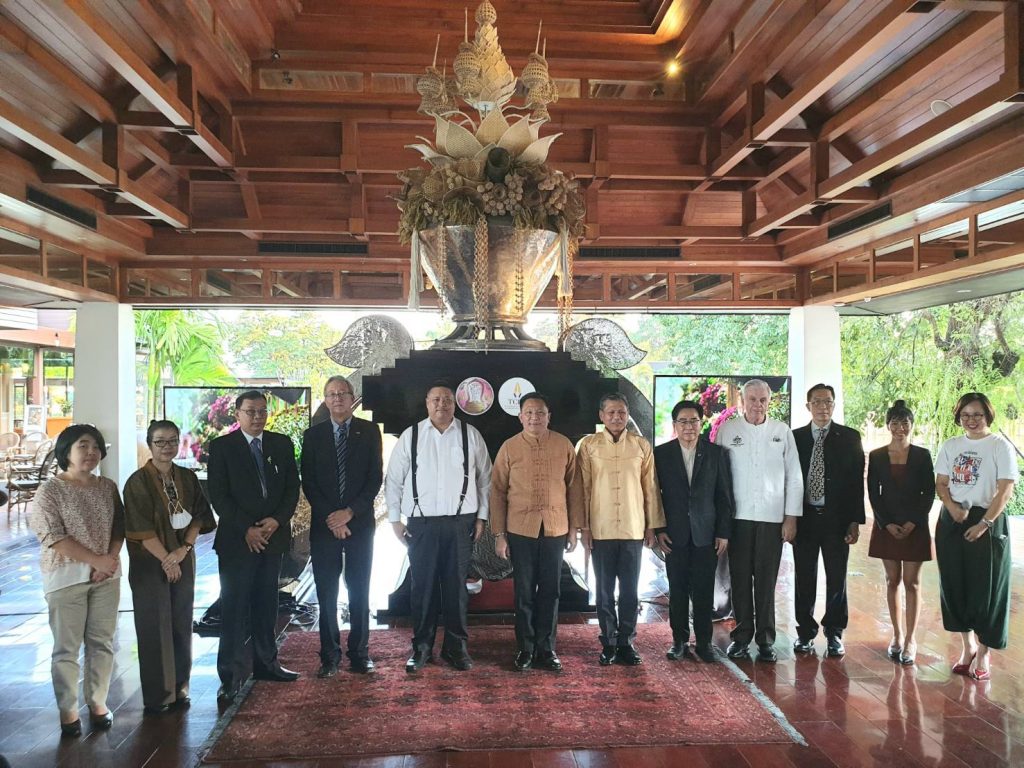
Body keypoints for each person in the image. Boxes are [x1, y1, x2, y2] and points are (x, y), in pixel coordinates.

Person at [386, 381, 492, 673]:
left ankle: (456, 648)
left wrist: (482, 517)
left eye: (447, 400)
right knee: (423, 588)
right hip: (421, 524)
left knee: (457, 589)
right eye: (436, 400)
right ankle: (421, 647)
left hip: (461, 523)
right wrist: (394, 519)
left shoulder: (470, 435)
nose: (441, 405)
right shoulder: (411, 436)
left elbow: (486, 478)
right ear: (427, 403)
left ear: (455, 404)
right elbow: (393, 479)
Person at [29, 424, 124, 738]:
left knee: (102, 643)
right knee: (66, 648)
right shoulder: (50, 490)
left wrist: (109, 561)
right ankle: (68, 710)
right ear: (66, 451)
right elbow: (52, 536)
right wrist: (97, 561)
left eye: (96, 447)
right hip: (65, 578)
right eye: (83, 445)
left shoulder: (107, 486)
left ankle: (98, 703)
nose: (91, 452)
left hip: (106, 577)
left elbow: (119, 527)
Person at [207, 390, 301, 703]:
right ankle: (230, 676)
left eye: (262, 411)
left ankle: (267, 665)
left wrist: (276, 521)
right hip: (237, 542)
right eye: (251, 411)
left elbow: (292, 488)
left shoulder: (280, 444)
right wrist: (247, 528)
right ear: (237, 414)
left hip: (272, 539)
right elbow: (218, 495)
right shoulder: (222, 447)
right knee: (234, 609)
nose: (257, 417)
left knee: (266, 605)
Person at [123, 420, 216, 714]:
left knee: (181, 620)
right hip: (150, 562)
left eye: (172, 441)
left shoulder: (187, 477)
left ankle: (180, 686)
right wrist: (167, 558)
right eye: (160, 441)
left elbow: (200, 516)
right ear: (150, 445)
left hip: (182, 557)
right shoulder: (137, 482)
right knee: (154, 624)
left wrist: (182, 550)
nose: (167, 447)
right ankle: (158, 695)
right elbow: (139, 528)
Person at [490, 392, 583, 672]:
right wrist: (499, 534)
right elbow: (497, 492)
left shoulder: (563, 444)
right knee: (524, 592)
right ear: (520, 417)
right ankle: (525, 648)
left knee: (551, 591)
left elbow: (574, 488)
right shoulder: (509, 447)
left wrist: (574, 529)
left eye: (540, 412)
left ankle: (547, 648)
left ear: (548, 416)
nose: (534, 417)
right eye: (529, 413)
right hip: (520, 529)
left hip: (556, 528)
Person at [714, 379, 802, 662]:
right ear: (742, 401)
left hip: (771, 519)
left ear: (769, 401)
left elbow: (794, 476)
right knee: (739, 580)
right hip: (737, 519)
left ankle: (765, 640)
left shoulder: (781, 431)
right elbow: (718, 478)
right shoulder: (728, 431)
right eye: (752, 399)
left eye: (763, 399)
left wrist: (791, 517)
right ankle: (741, 637)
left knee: (766, 581)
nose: (757, 405)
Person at [301, 376, 383, 678]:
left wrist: (348, 513)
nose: (337, 398)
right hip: (324, 527)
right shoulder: (313, 436)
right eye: (331, 394)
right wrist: (332, 517)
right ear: (325, 400)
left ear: (352, 398)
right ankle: (330, 655)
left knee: (359, 589)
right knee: (326, 592)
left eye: (342, 393)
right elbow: (309, 481)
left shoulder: (369, 431)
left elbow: (375, 478)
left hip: (359, 524)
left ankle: (360, 653)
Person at [935, 392, 1018, 682]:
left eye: (977, 415)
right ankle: (967, 646)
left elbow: (1005, 490)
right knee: (955, 584)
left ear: (988, 416)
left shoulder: (999, 446)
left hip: (987, 519)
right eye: (965, 415)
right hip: (953, 518)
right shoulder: (951, 445)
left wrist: (984, 523)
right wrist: (951, 508)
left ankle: (984, 651)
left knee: (988, 588)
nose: (971, 420)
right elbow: (941, 483)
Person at [577, 393, 664, 666]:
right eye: (611, 412)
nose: (617, 417)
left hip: (633, 528)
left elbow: (650, 488)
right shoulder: (589, 446)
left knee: (630, 590)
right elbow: (582, 489)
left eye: (622, 413)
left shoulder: (641, 446)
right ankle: (609, 641)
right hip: (600, 528)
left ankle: (626, 641)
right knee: (603, 590)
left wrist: (651, 526)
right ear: (601, 416)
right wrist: (584, 528)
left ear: (627, 415)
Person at [654, 400, 733, 663]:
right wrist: (659, 528)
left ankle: (704, 642)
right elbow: (655, 496)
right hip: (673, 534)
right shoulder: (661, 454)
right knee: (677, 589)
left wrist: (723, 532)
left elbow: (724, 496)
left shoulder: (715, 453)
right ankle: (679, 641)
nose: (689, 426)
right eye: (683, 421)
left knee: (703, 590)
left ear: (701, 423)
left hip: (706, 534)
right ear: (674, 425)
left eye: (694, 421)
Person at [792, 383, 866, 658]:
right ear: (808, 406)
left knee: (837, 577)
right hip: (805, 519)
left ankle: (834, 632)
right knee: (804, 577)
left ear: (834, 405)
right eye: (817, 402)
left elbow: (856, 483)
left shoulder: (850, 437)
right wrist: (788, 518)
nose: (823, 407)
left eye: (828, 402)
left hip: (837, 520)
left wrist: (854, 521)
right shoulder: (795, 438)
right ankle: (805, 632)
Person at [866, 400, 935, 666]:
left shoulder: (922, 455)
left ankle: (911, 640)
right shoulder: (877, 456)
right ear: (888, 425)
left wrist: (913, 522)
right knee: (891, 580)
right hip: (887, 526)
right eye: (894, 423)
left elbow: (928, 493)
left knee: (912, 582)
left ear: (912, 425)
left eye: (905, 422)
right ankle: (896, 635)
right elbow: (874, 494)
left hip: (915, 526)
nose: (899, 428)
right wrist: (886, 523)